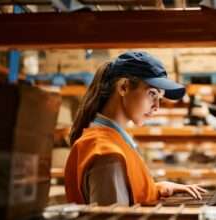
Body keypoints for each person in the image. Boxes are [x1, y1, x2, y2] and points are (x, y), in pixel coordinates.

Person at [64, 52, 206, 206]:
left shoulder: (112, 142)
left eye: (160, 98)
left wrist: (155, 189)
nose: (157, 107)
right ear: (124, 87)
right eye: (152, 94)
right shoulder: (108, 155)